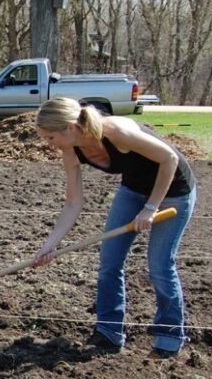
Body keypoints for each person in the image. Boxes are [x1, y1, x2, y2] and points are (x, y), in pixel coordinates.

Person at [32, 97, 197, 358]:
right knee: (110, 260)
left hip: (174, 190)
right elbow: (73, 203)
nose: (48, 144)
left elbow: (168, 159)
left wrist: (152, 208)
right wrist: (50, 244)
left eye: (50, 137)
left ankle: (169, 337)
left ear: (70, 128)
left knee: (160, 265)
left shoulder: (117, 132)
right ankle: (109, 332)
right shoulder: (71, 150)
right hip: (133, 189)